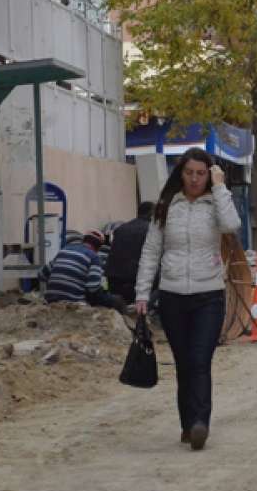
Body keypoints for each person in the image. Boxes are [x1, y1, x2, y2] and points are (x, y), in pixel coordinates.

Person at [134, 148, 241, 451]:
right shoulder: (166, 206)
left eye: (201, 173)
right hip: (172, 295)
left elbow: (232, 225)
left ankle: (200, 424)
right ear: (180, 173)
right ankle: (187, 423)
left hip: (209, 295)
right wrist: (142, 293)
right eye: (189, 172)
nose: (195, 179)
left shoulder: (216, 203)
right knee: (183, 362)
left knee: (199, 359)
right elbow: (151, 252)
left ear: (210, 175)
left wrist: (219, 188)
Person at [37, 230, 124, 311]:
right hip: (73, 304)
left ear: (83, 240)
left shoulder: (64, 250)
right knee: (117, 301)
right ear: (99, 248)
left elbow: (41, 275)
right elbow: (92, 289)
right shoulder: (94, 257)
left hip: (50, 300)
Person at [106, 201, 156, 304]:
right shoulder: (151, 230)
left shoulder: (120, 228)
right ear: (152, 214)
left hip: (113, 280)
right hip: (135, 281)